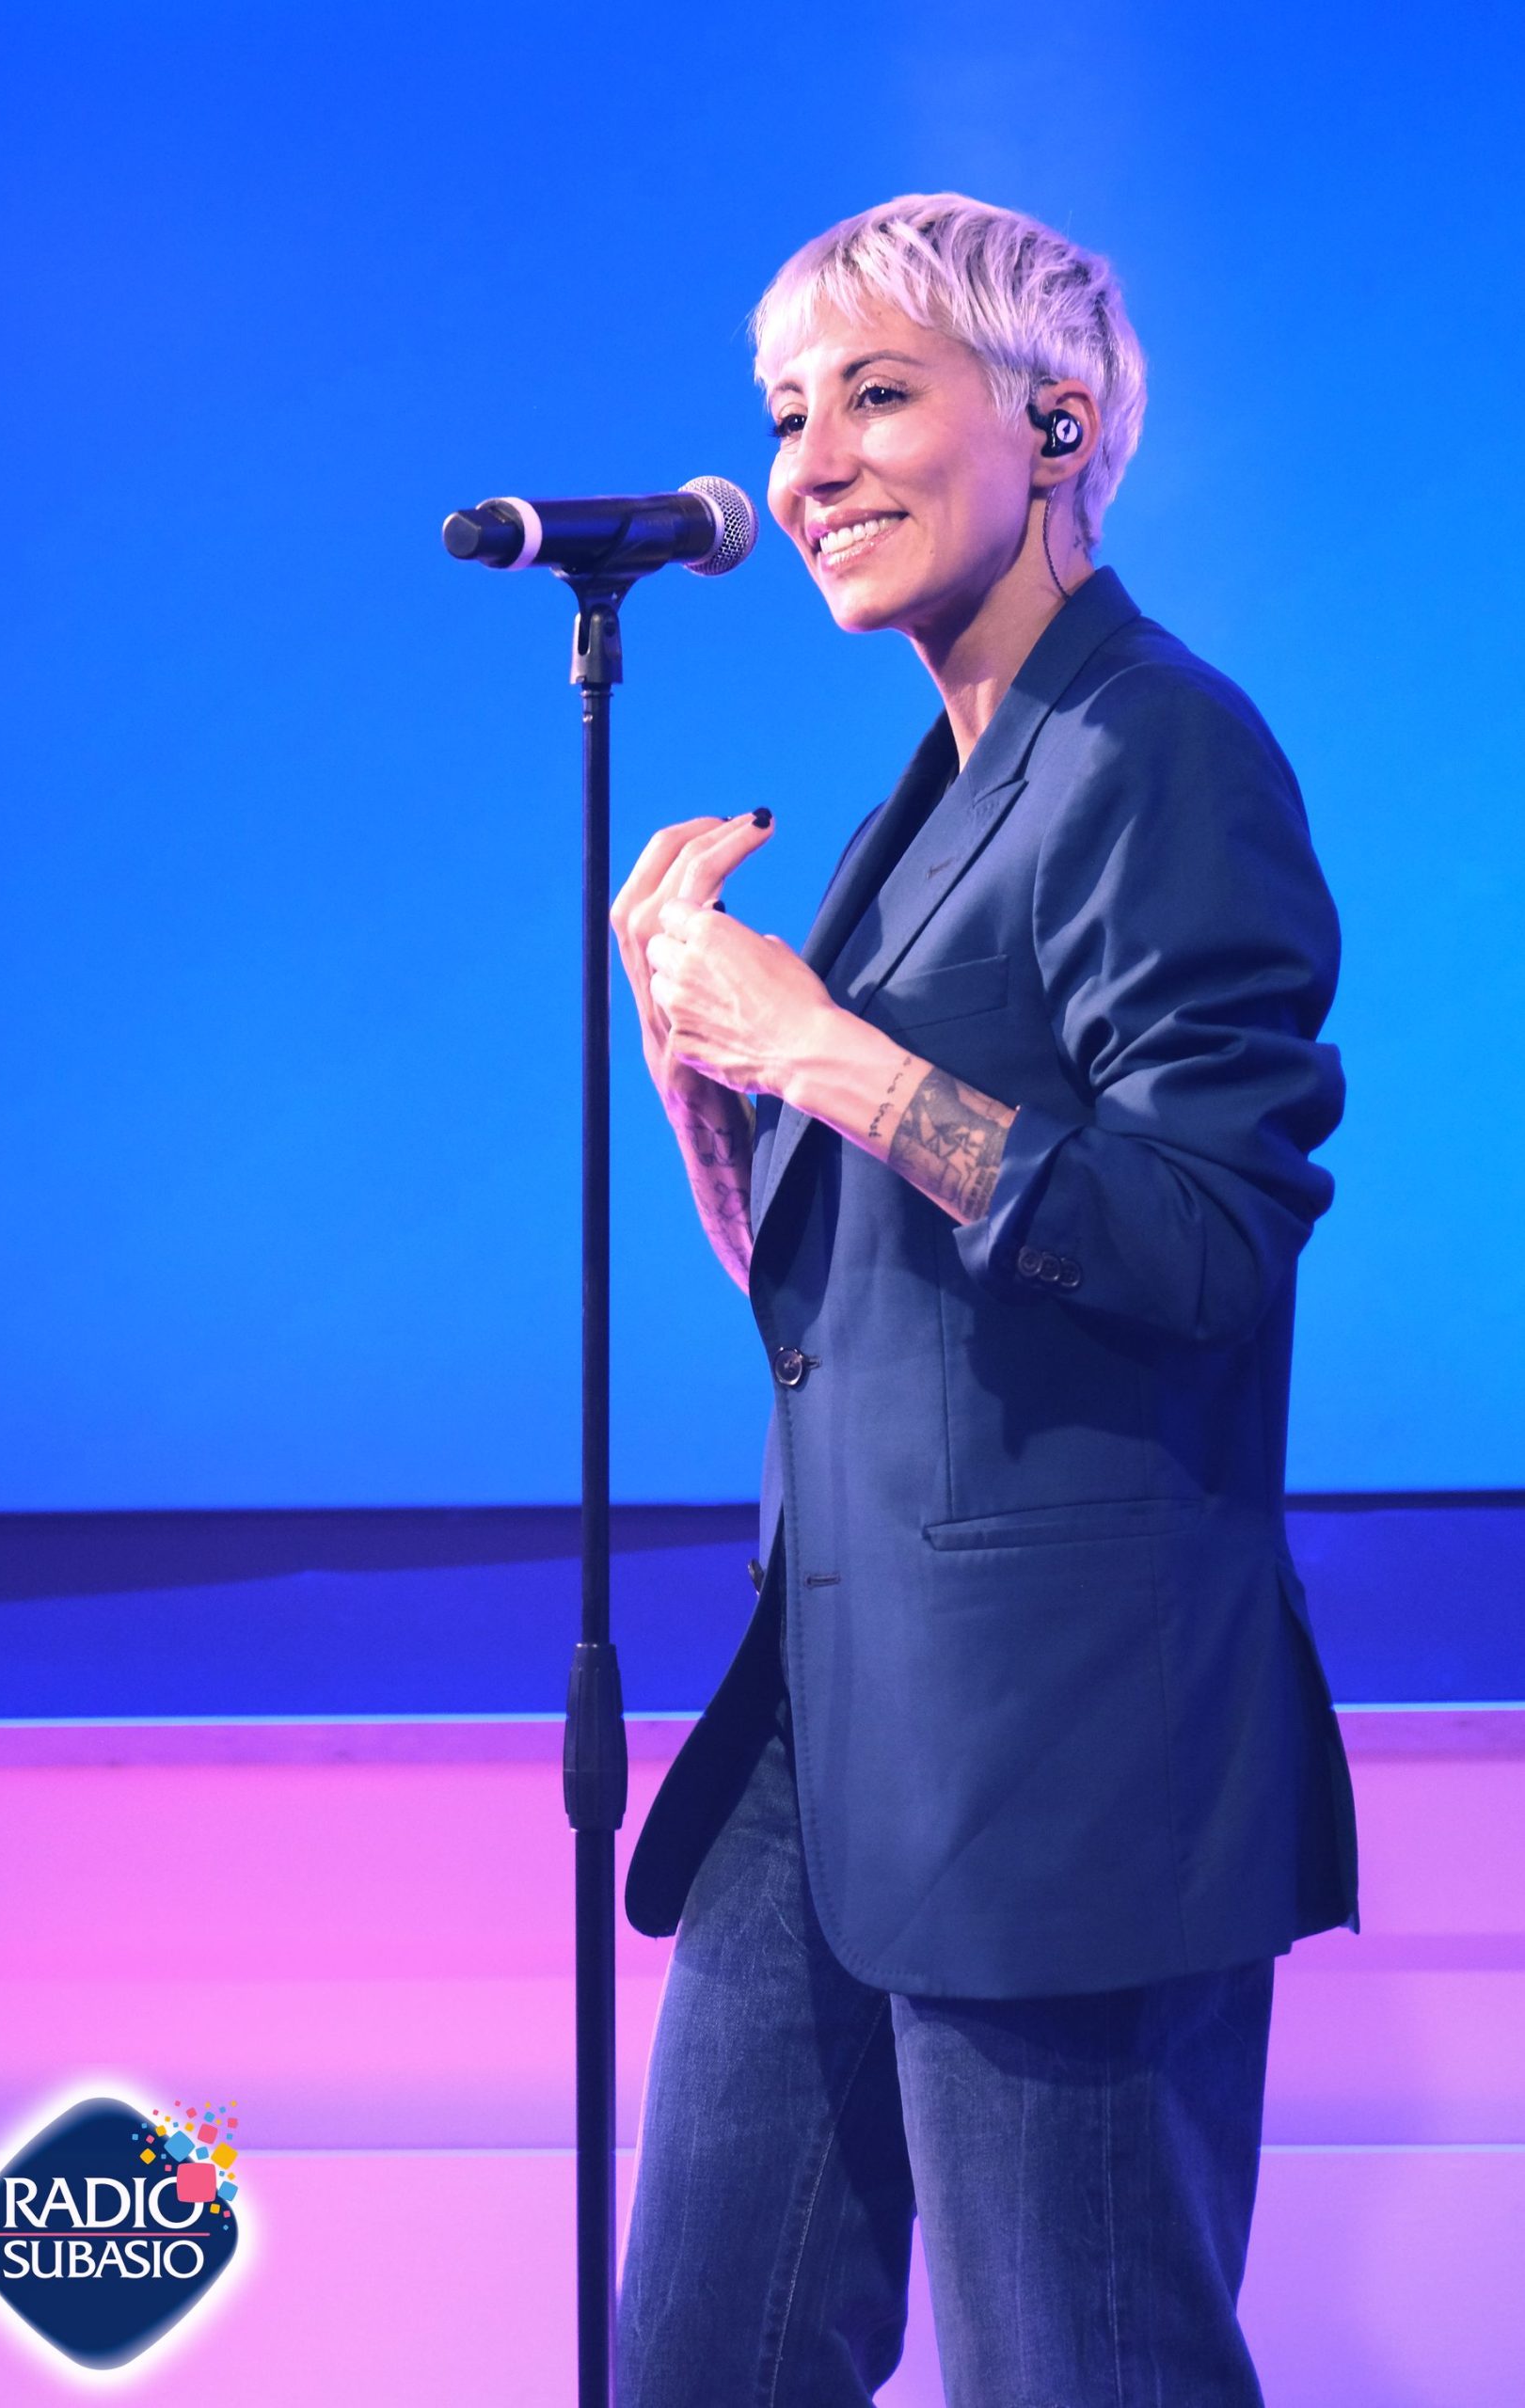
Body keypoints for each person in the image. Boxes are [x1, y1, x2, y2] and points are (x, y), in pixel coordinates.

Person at [609, 193, 1358, 2407]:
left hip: (1064, 1756)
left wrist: (823, 1046)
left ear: (1054, 421)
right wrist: (706, 1071)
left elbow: (1203, 1238)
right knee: (700, 2362)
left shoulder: (1155, 749)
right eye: (784, 414)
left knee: (1082, 2368)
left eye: (873, 394)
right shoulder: (922, 802)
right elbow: (846, 1303)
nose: (807, 462)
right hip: (832, 1713)